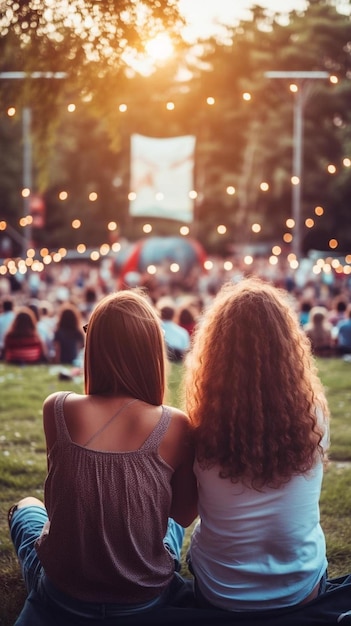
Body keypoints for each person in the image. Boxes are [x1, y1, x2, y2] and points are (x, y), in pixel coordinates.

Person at [8, 289, 198, 625]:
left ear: (94, 346)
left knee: (26, 508)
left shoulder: (57, 407)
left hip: (63, 597)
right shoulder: (175, 424)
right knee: (169, 526)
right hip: (144, 600)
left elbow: (63, 505)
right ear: (152, 350)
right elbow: (182, 515)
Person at [184, 278, 333, 612]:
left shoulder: (198, 429)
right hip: (301, 587)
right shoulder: (315, 420)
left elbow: (187, 510)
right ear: (288, 348)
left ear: (215, 351)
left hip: (221, 593)